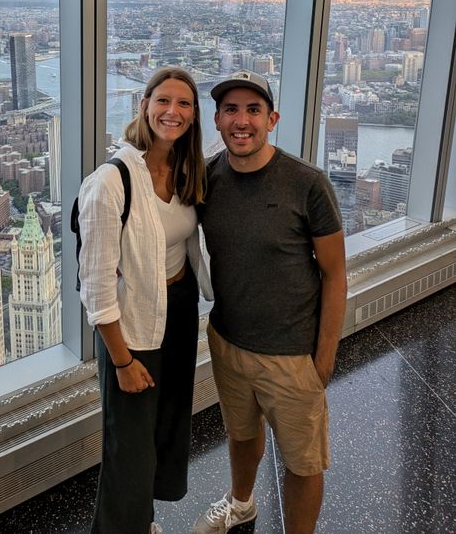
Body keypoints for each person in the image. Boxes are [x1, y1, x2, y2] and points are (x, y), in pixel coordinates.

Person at [192, 71, 347, 534]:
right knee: (240, 435)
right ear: (217, 120)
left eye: (253, 110)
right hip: (228, 341)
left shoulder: (308, 184)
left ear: (272, 119)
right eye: (231, 110)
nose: (242, 121)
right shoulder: (206, 179)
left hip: (292, 355)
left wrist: (323, 359)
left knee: (303, 463)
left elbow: (335, 273)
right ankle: (241, 504)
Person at [78, 67, 212, 534]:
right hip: (131, 324)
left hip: (178, 309)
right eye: (164, 101)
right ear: (145, 106)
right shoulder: (111, 181)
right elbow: (94, 286)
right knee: (129, 445)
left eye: (184, 104)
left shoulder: (188, 169)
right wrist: (121, 360)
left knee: (165, 426)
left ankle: (142, 520)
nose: (172, 112)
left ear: (194, 116)